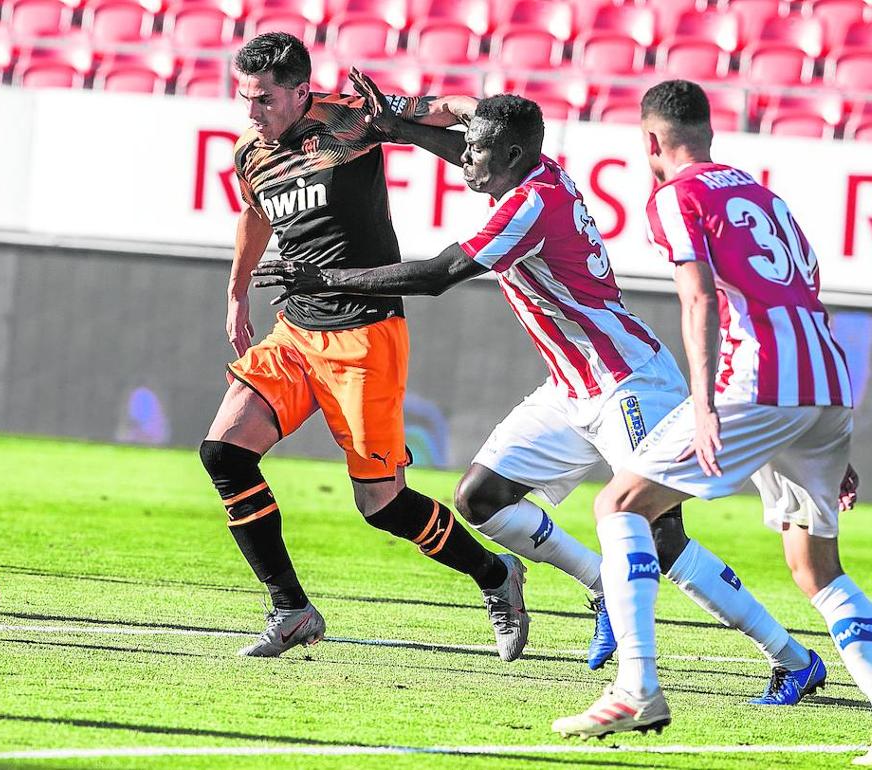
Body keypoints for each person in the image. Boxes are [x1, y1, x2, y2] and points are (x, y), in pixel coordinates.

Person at [254, 84, 824, 702]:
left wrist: (326, 278)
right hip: (571, 387)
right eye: (468, 145)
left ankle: (792, 658)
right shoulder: (531, 172)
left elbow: (439, 275)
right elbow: (470, 150)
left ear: (515, 154)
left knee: (660, 537)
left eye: (480, 151)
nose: (466, 158)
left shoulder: (530, 206)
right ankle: (601, 584)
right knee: (481, 498)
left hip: (627, 382)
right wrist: (402, 131)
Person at [551, 79, 865, 742]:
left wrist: (703, 403)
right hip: (828, 381)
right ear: (710, 133)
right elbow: (807, 289)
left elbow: (697, 299)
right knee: (817, 569)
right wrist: (830, 438)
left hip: (759, 378)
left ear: (651, 141)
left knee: (620, 505)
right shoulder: (763, 195)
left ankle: (637, 687)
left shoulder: (676, 195)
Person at [200, 32, 531, 661]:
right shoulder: (252, 151)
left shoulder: (351, 119)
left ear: (302, 92)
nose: (251, 112)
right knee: (224, 453)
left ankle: (495, 575)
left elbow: (449, 109)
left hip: (366, 333)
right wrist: (236, 293)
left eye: (264, 100)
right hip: (295, 329)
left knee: (381, 504)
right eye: (245, 98)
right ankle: (291, 609)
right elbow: (254, 213)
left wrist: (463, 114)